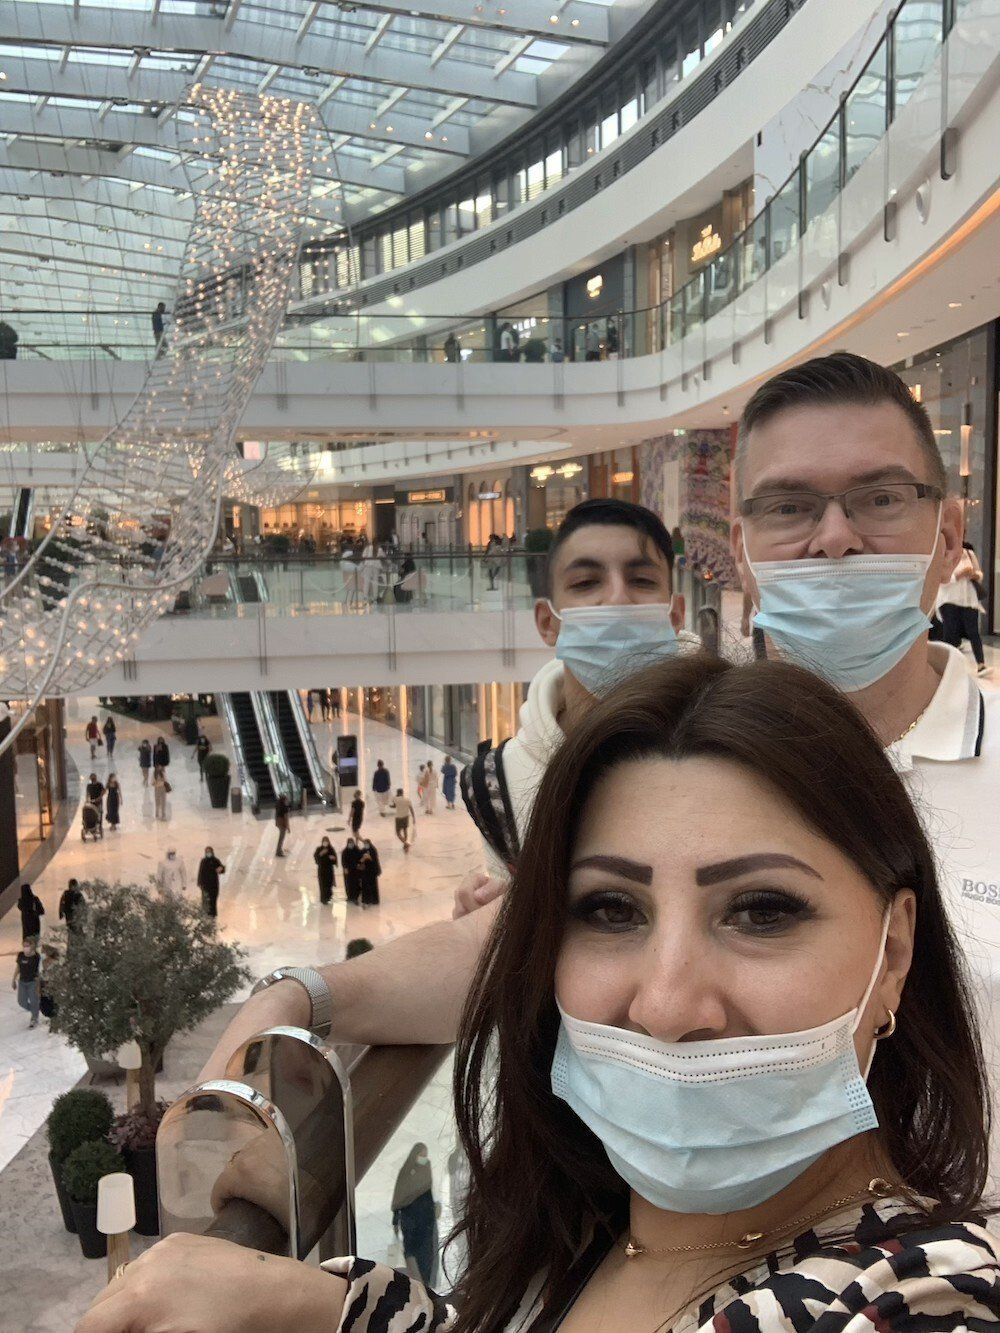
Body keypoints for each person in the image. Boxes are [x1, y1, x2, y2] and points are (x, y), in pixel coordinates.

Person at [194, 357, 1000, 1189]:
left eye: (880, 498)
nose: (834, 537)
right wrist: (301, 995)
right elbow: (516, 944)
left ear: (948, 537)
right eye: (790, 507)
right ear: (744, 554)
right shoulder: (688, 750)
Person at [94, 655, 1000, 1331]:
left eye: (762, 910)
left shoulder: (920, 1296)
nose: (666, 1004)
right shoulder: (590, 1224)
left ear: (893, 952)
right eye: (610, 909)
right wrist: (323, 1305)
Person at [461, 497, 687, 877]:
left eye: (642, 581)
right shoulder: (500, 783)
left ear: (676, 614)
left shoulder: (731, 744)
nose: (617, 597)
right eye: (585, 582)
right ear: (547, 622)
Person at [935, 539, 988, 675]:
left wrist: (974, 575)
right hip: (949, 599)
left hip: (968, 599)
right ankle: (947, 666)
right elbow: (939, 579)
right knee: (950, 633)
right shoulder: (943, 554)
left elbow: (979, 574)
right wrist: (958, 576)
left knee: (973, 631)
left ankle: (981, 664)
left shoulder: (969, 553)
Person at [391, 1144, 439, 1287]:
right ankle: (416, 1281)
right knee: (411, 1251)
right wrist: (395, 1221)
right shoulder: (405, 1172)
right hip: (410, 1221)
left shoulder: (426, 1170)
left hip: (426, 1220)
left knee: (426, 1253)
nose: (424, 1158)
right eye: (421, 1155)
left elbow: (428, 1194)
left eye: (425, 1155)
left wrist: (433, 1210)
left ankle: (425, 1283)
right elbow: (399, 1196)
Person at [11, 937, 42, 1029]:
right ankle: (35, 1010)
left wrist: (38, 986)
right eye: (24, 946)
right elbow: (18, 968)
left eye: (27, 946)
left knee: (33, 1000)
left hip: (33, 982)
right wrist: (13, 979)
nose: (25, 948)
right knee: (21, 1002)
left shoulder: (36, 957)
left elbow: (39, 971)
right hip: (22, 982)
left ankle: (34, 1018)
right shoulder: (21, 955)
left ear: (32, 946)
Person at [196, 846, 226, 918]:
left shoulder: (215, 861)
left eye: (209, 852)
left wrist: (222, 868)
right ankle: (205, 914)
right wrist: (199, 882)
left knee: (213, 900)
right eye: (207, 852)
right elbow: (200, 872)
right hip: (205, 885)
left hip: (214, 885)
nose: (208, 853)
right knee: (205, 900)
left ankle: (213, 915)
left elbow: (221, 870)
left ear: (212, 852)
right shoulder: (203, 861)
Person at [314, 836, 338, 905]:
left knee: (329, 884)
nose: (325, 842)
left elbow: (334, 859)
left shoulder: (331, 849)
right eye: (324, 841)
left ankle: (328, 897)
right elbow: (316, 859)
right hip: (322, 870)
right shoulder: (319, 849)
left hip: (329, 870)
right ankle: (323, 899)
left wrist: (333, 858)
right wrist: (321, 854)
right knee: (322, 884)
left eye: (326, 841)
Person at [358, 838, 381, 908]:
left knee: (373, 885)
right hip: (365, 871)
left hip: (372, 871)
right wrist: (363, 859)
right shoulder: (362, 851)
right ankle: (366, 900)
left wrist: (370, 858)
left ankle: (374, 900)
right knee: (365, 886)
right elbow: (359, 861)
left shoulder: (373, 850)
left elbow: (375, 860)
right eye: (364, 844)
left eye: (367, 844)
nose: (366, 845)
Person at [342, 837, 362, 906]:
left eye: (352, 843)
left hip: (355, 870)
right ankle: (350, 897)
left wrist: (359, 864)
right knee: (348, 884)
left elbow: (360, 858)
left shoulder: (357, 850)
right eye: (349, 843)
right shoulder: (345, 851)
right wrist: (345, 868)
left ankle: (355, 898)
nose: (351, 844)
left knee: (355, 884)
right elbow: (343, 861)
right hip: (348, 871)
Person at [274, 793, 290, 857]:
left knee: (281, 837)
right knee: (281, 838)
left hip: (278, 822)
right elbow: (286, 818)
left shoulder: (278, 804)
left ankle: (279, 850)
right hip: (282, 823)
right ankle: (278, 851)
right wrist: (288, 827)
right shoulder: (285, 807)